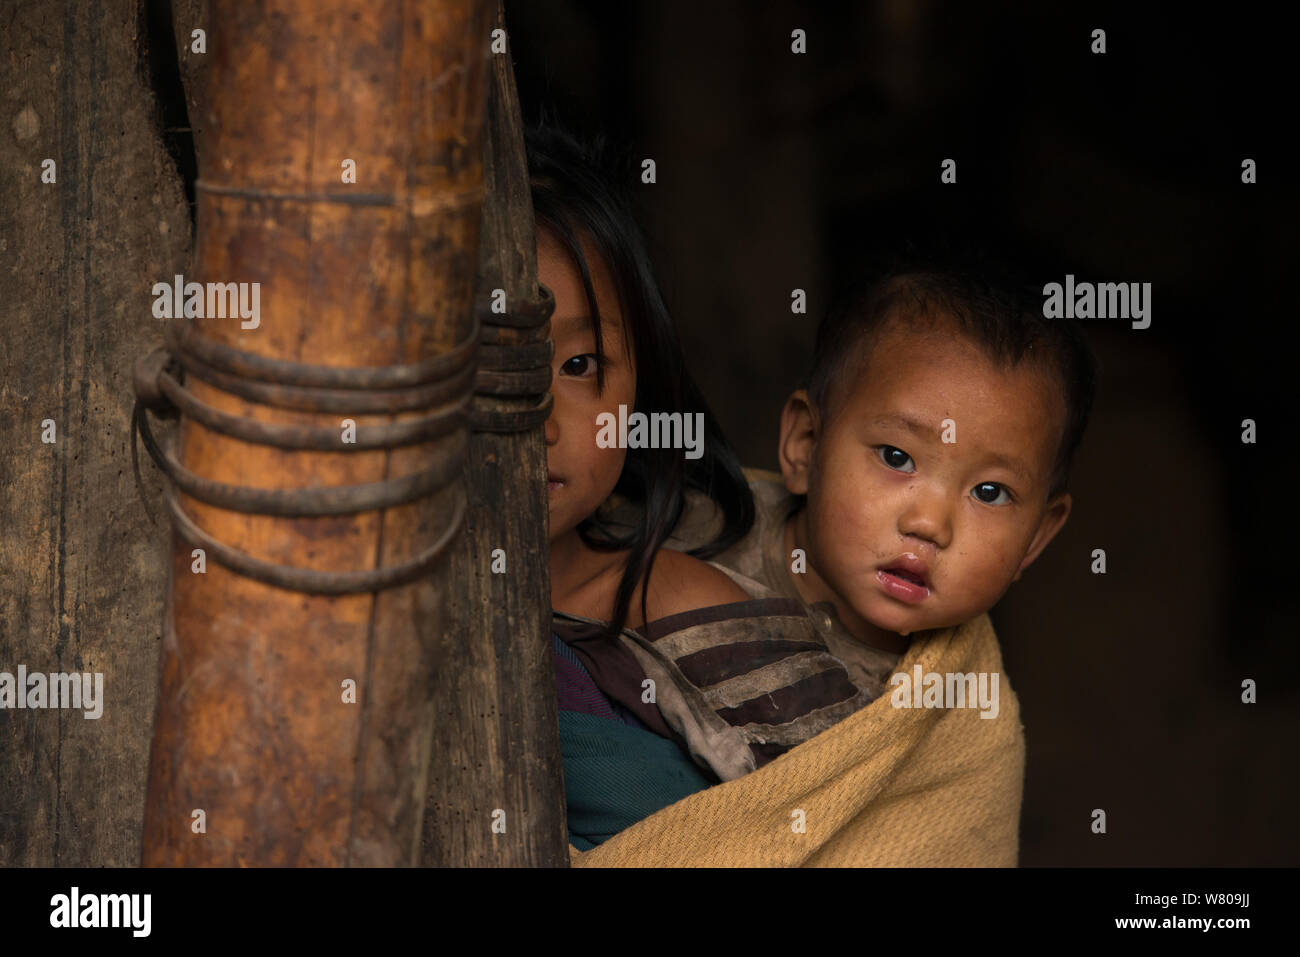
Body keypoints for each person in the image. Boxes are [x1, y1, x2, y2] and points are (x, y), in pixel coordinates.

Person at [530, 117, 884, 850]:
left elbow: (866, 823)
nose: (541, 420)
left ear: (641, 390)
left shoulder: (677, 603)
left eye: (579, 366)